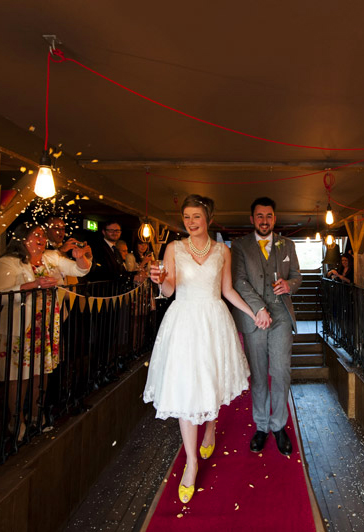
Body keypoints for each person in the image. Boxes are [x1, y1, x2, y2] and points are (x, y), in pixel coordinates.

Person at [143, 194, 256, 504]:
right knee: (185, 388)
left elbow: (227, 290)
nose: (191, 222)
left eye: (196, 216)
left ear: (208, 218)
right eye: (187, 217)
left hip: (213, 321)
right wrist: (160, 280)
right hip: (183, 321)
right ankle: (191, 463)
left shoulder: (222, 251)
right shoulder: (174, 248)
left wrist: (251, 313)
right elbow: (168, 290)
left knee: (211, 377)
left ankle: (211, 427)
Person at [0, 223, 91, 437]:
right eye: (34, 235)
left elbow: (80, 270)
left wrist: (80, 256)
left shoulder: (50, 258)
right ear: (21, 238)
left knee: (42, 371)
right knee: (19, 376)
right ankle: (16, 419)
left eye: (41, 235)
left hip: (47, 325)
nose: (40, 238)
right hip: (21, 328)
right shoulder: (8, 262)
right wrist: (32, 285)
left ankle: (38, 413)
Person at [231, 197, 302, 458]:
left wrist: (290, 285)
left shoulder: (288, 244)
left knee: (281, 371)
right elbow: (237, 280)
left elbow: (297, 275)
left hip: (282, 315)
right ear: (252, 219)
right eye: (259, 216)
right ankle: (261, 426)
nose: (264, 220)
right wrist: (258, 309)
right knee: (259, 374)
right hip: (254, 317)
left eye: (269, 216)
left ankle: (278, 426)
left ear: (275, 218)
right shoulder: (239, 246)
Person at [86, 221, 126, 285]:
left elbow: (120, 269)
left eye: (117, 231)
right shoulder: (97, 247)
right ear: (104, 232)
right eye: (111, 230)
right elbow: (101, 271)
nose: (114, 233)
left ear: (120, 233)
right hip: (101, 289)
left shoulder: (115, 249)